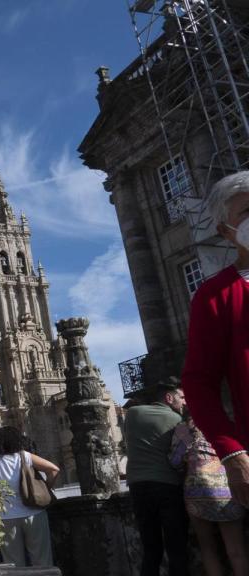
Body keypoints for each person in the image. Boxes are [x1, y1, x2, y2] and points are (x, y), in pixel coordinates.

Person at [184, 171, 249, 510]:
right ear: (226, 232)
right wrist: (233, 452)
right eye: (246, 212)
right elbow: (198, 383)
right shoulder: (215, 295)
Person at [170, 418, 248, 576]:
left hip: (196, 490)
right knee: (236, 550)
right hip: (226, 488)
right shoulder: (228, 421)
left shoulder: (183, 428)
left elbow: (175, 461)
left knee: (207, 547)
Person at [125, 384, 188, 576]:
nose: (185, 402)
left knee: (151, 549)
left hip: (138, 486)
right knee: (176, 547)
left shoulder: (132, 414)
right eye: (182, 398)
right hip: (167, 485)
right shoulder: (177, 420)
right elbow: (181, 454)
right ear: (169, 398)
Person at [0, 426, 58, 568]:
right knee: (42, 561)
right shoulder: (24, 456)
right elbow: (54, 470)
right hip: (33, 514)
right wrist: (46, 487)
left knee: (14, 565)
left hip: (5, 518)